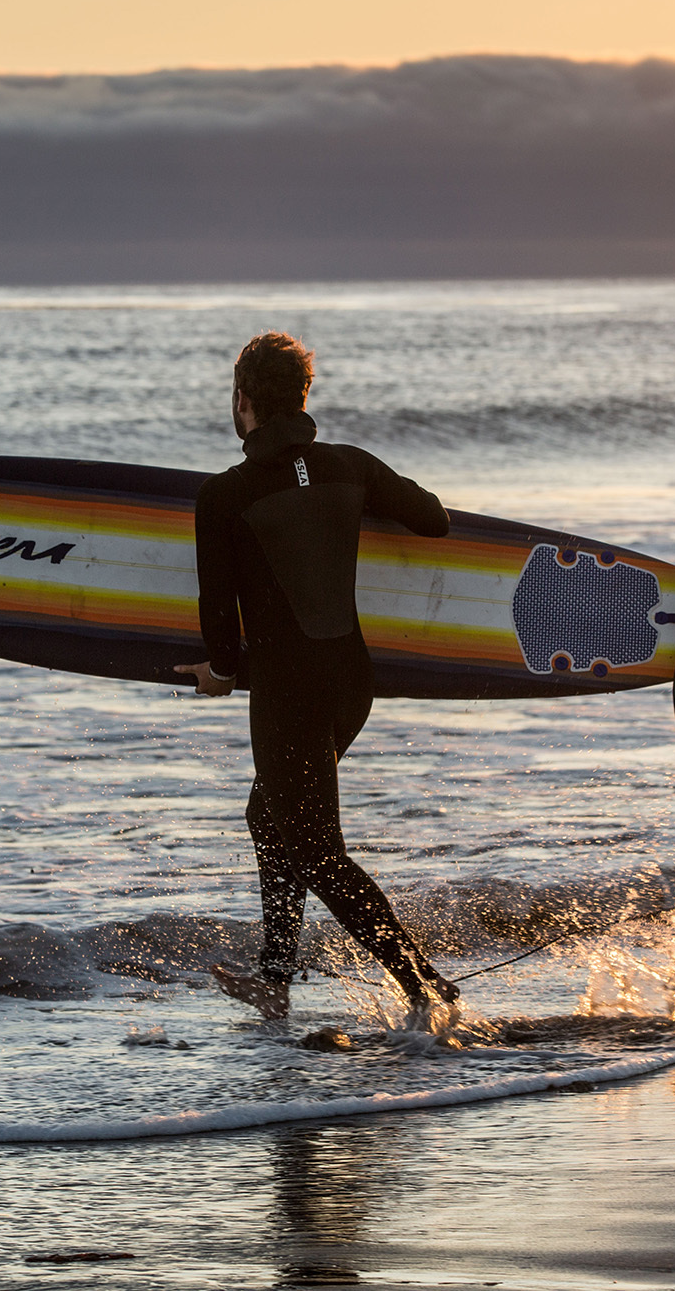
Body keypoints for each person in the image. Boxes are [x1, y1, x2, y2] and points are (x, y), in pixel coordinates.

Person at [176, 332, 459, 1022]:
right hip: (350, 683)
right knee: (270, 817)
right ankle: (275, 976)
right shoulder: (351, 466)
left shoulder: (224, 495)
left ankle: (426, 988)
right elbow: (435, 519)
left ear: (243, 401)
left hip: (288, 692)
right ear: (304, 396)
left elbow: (222, 630)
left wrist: (216, 675)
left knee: (317, 849)